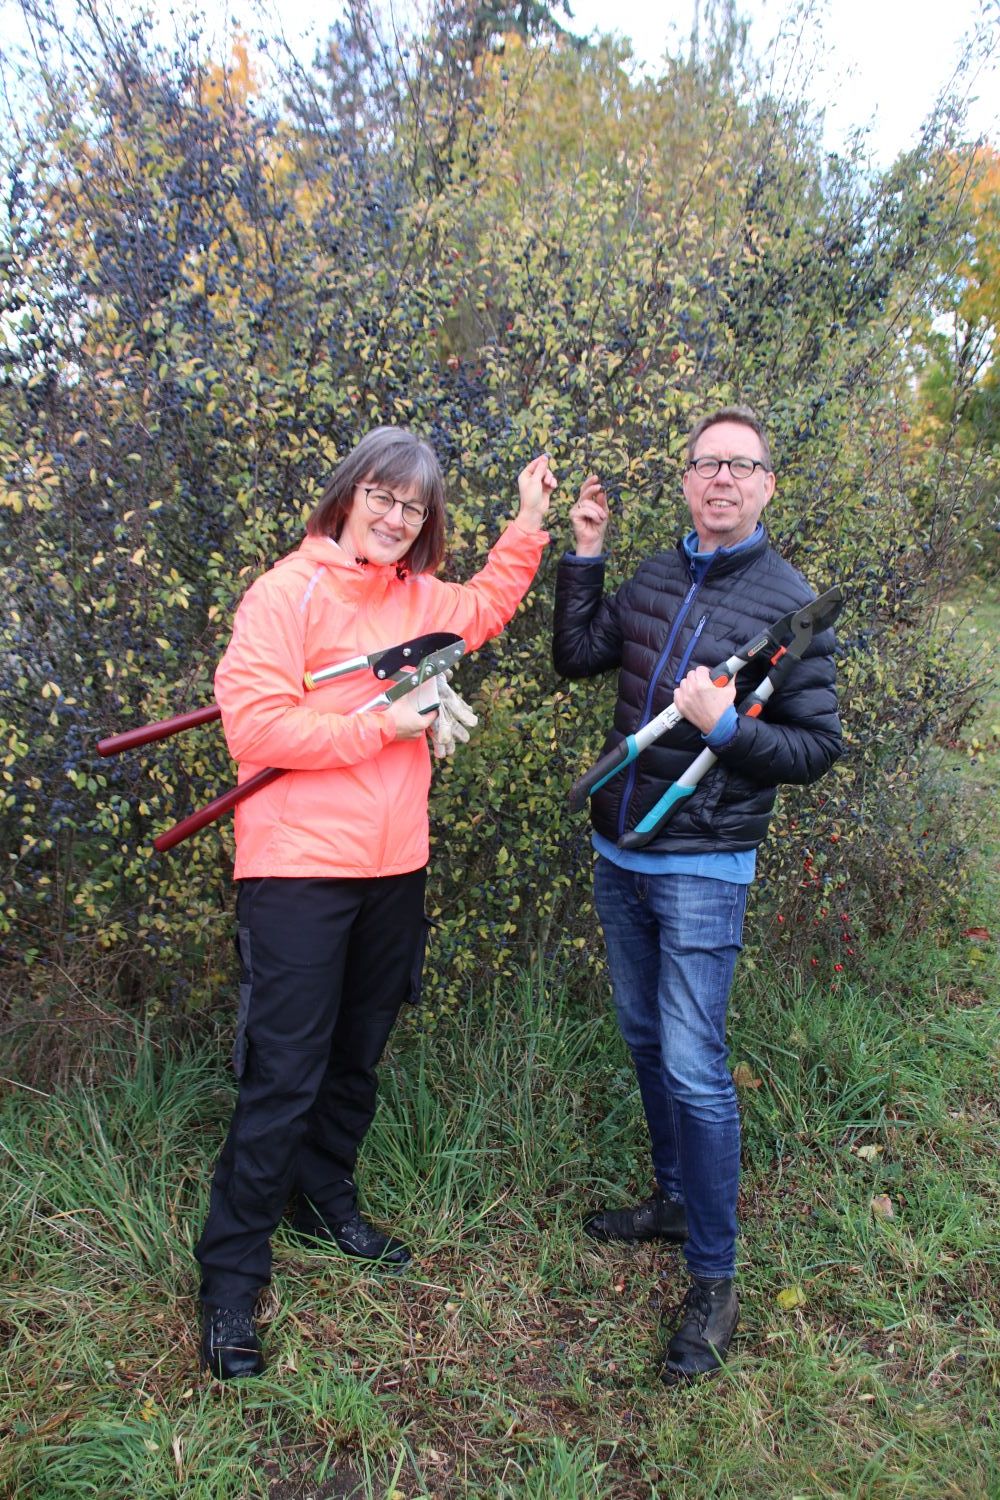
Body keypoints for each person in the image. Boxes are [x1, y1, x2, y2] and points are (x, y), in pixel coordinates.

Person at [197, 426, 556, 1380]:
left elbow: (484, 606)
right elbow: (256, 724)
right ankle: (231, 1278)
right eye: (383, 498)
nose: (397, 518)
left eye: (415, 507)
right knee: (284, 1074)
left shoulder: (419, 600)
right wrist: (383, 724)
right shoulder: (285, 593)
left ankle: (323, 1199)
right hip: (298, 868)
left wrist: (527, 524)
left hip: (395, 865)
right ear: (348, 495)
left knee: (358, 1054)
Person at [552, 405, 841, 1385]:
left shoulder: (787, 601)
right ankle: (672, 1202)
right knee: (644, 1041)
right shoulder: (657, 572)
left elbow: (814, 749)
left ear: (766, 485)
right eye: (706, 463)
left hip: (704, 861)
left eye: (741, 465)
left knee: (693, 1064)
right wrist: (585, 553)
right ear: (685, 480)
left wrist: (723, 730)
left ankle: (713, 1280)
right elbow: (582, 654)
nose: (721, 479)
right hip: (620, 849)